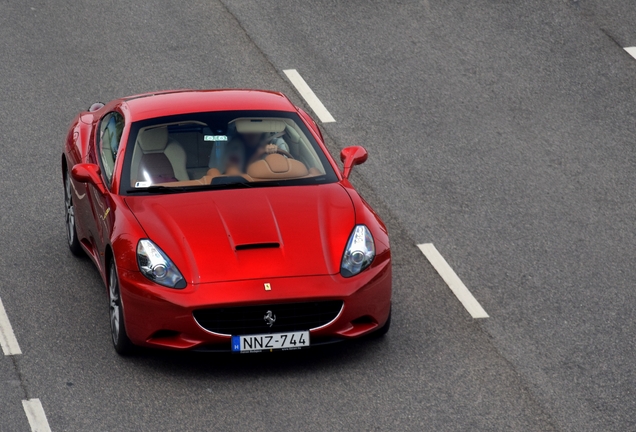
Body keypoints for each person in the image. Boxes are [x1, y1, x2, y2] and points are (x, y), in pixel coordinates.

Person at [209, 129, 289, 174]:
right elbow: (233, 175)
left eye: (256, 131)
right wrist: (258, 153)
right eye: (248, 131)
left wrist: (274, 156)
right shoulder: (235, 146)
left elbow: (286, 171)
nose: (252, 133)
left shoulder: (275, 143)